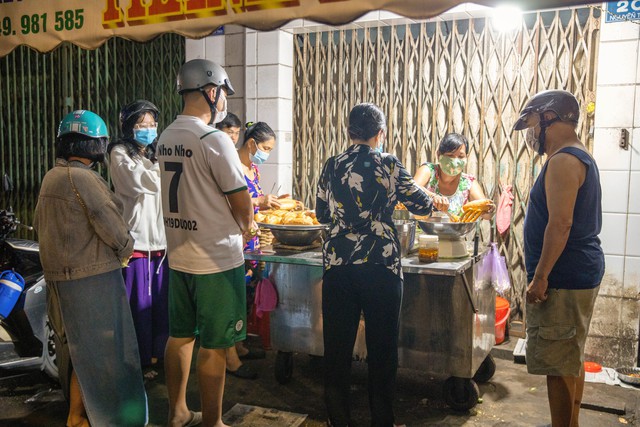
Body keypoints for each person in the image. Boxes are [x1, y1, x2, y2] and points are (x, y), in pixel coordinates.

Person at [315, 103, 447, 427]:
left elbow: (320, 214)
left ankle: (339, 421)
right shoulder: (388, 163)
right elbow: (422, 204)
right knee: (382, 351)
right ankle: (382, 422)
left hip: (339, 266)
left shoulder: (332, 165)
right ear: (381, 134)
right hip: (381, 266)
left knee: (337, 351)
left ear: (349, 132)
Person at [158, 59, 255, 427]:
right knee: (214, 344)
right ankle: (213, 422)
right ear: (211, 92)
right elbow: (240, 198)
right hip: (215, 259)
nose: (224, 102)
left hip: (179, 254)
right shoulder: (213, 139)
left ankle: (178, 411)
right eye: (223, 94)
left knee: (179, 336)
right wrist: (246, 227)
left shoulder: (167, 135)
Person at [34, 110, 147, 427]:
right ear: (95, 145)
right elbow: (110, 222)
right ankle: (96, 417)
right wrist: (125, 250)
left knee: (80, 353)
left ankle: (77, 415)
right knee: (103, 354)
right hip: (90, 279)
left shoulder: (52, 176)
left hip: (60, 279)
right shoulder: (83, 178)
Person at [513, 89, 604, 427]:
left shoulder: (564, 159)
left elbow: (561, 223)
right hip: (576, 272)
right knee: (569, 358)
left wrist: (540, 278)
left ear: (548, 119)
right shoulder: (577, 156)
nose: (531, 133)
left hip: (563, 278)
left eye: (533, 124)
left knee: (558, 366)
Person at [107, 100, 169, 380]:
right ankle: (138, 361)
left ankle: (158, 354)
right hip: (136, 244)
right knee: (137, 307)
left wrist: (157, 172)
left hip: (160, 245)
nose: (148, 129)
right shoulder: (119, 153)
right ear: (128, 126)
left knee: (159, 303)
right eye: (141, 125)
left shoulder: (156, 155)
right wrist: (161, 174)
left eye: (152, 124)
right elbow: (138, 183)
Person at [413, 133, 494, 218]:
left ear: (466, 157)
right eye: (450, 155)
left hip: (455, 230)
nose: (455, 161)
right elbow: (411, 188)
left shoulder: (468, 183)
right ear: (438, 155)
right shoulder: (428, 170)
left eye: (460, 156)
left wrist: (490, 208)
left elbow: (487, 216)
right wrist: (432, 196)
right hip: (424, 229)